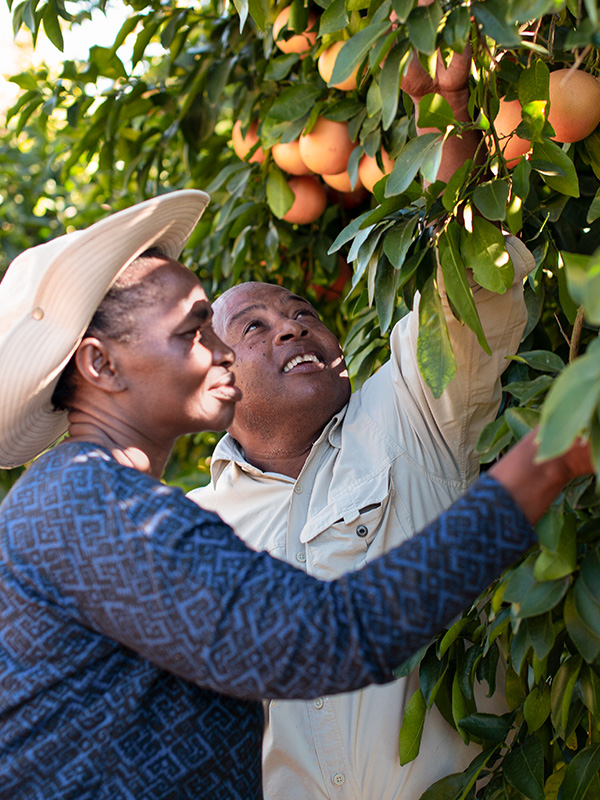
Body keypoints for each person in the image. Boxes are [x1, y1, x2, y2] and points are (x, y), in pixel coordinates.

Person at [0, 190, 591, 800]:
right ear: (101, 365)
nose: (223, 351)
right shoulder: (89, 506)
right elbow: (325, 636)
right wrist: (544, 465)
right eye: (193, 329)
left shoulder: (103, 504)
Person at [186, 52, 538, 800]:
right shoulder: (186, 529)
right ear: (216, 377)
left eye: (303, 315)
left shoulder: (406, 416)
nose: (290, 329)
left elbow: (466, 286)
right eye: (255, 327)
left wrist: (451, 125)